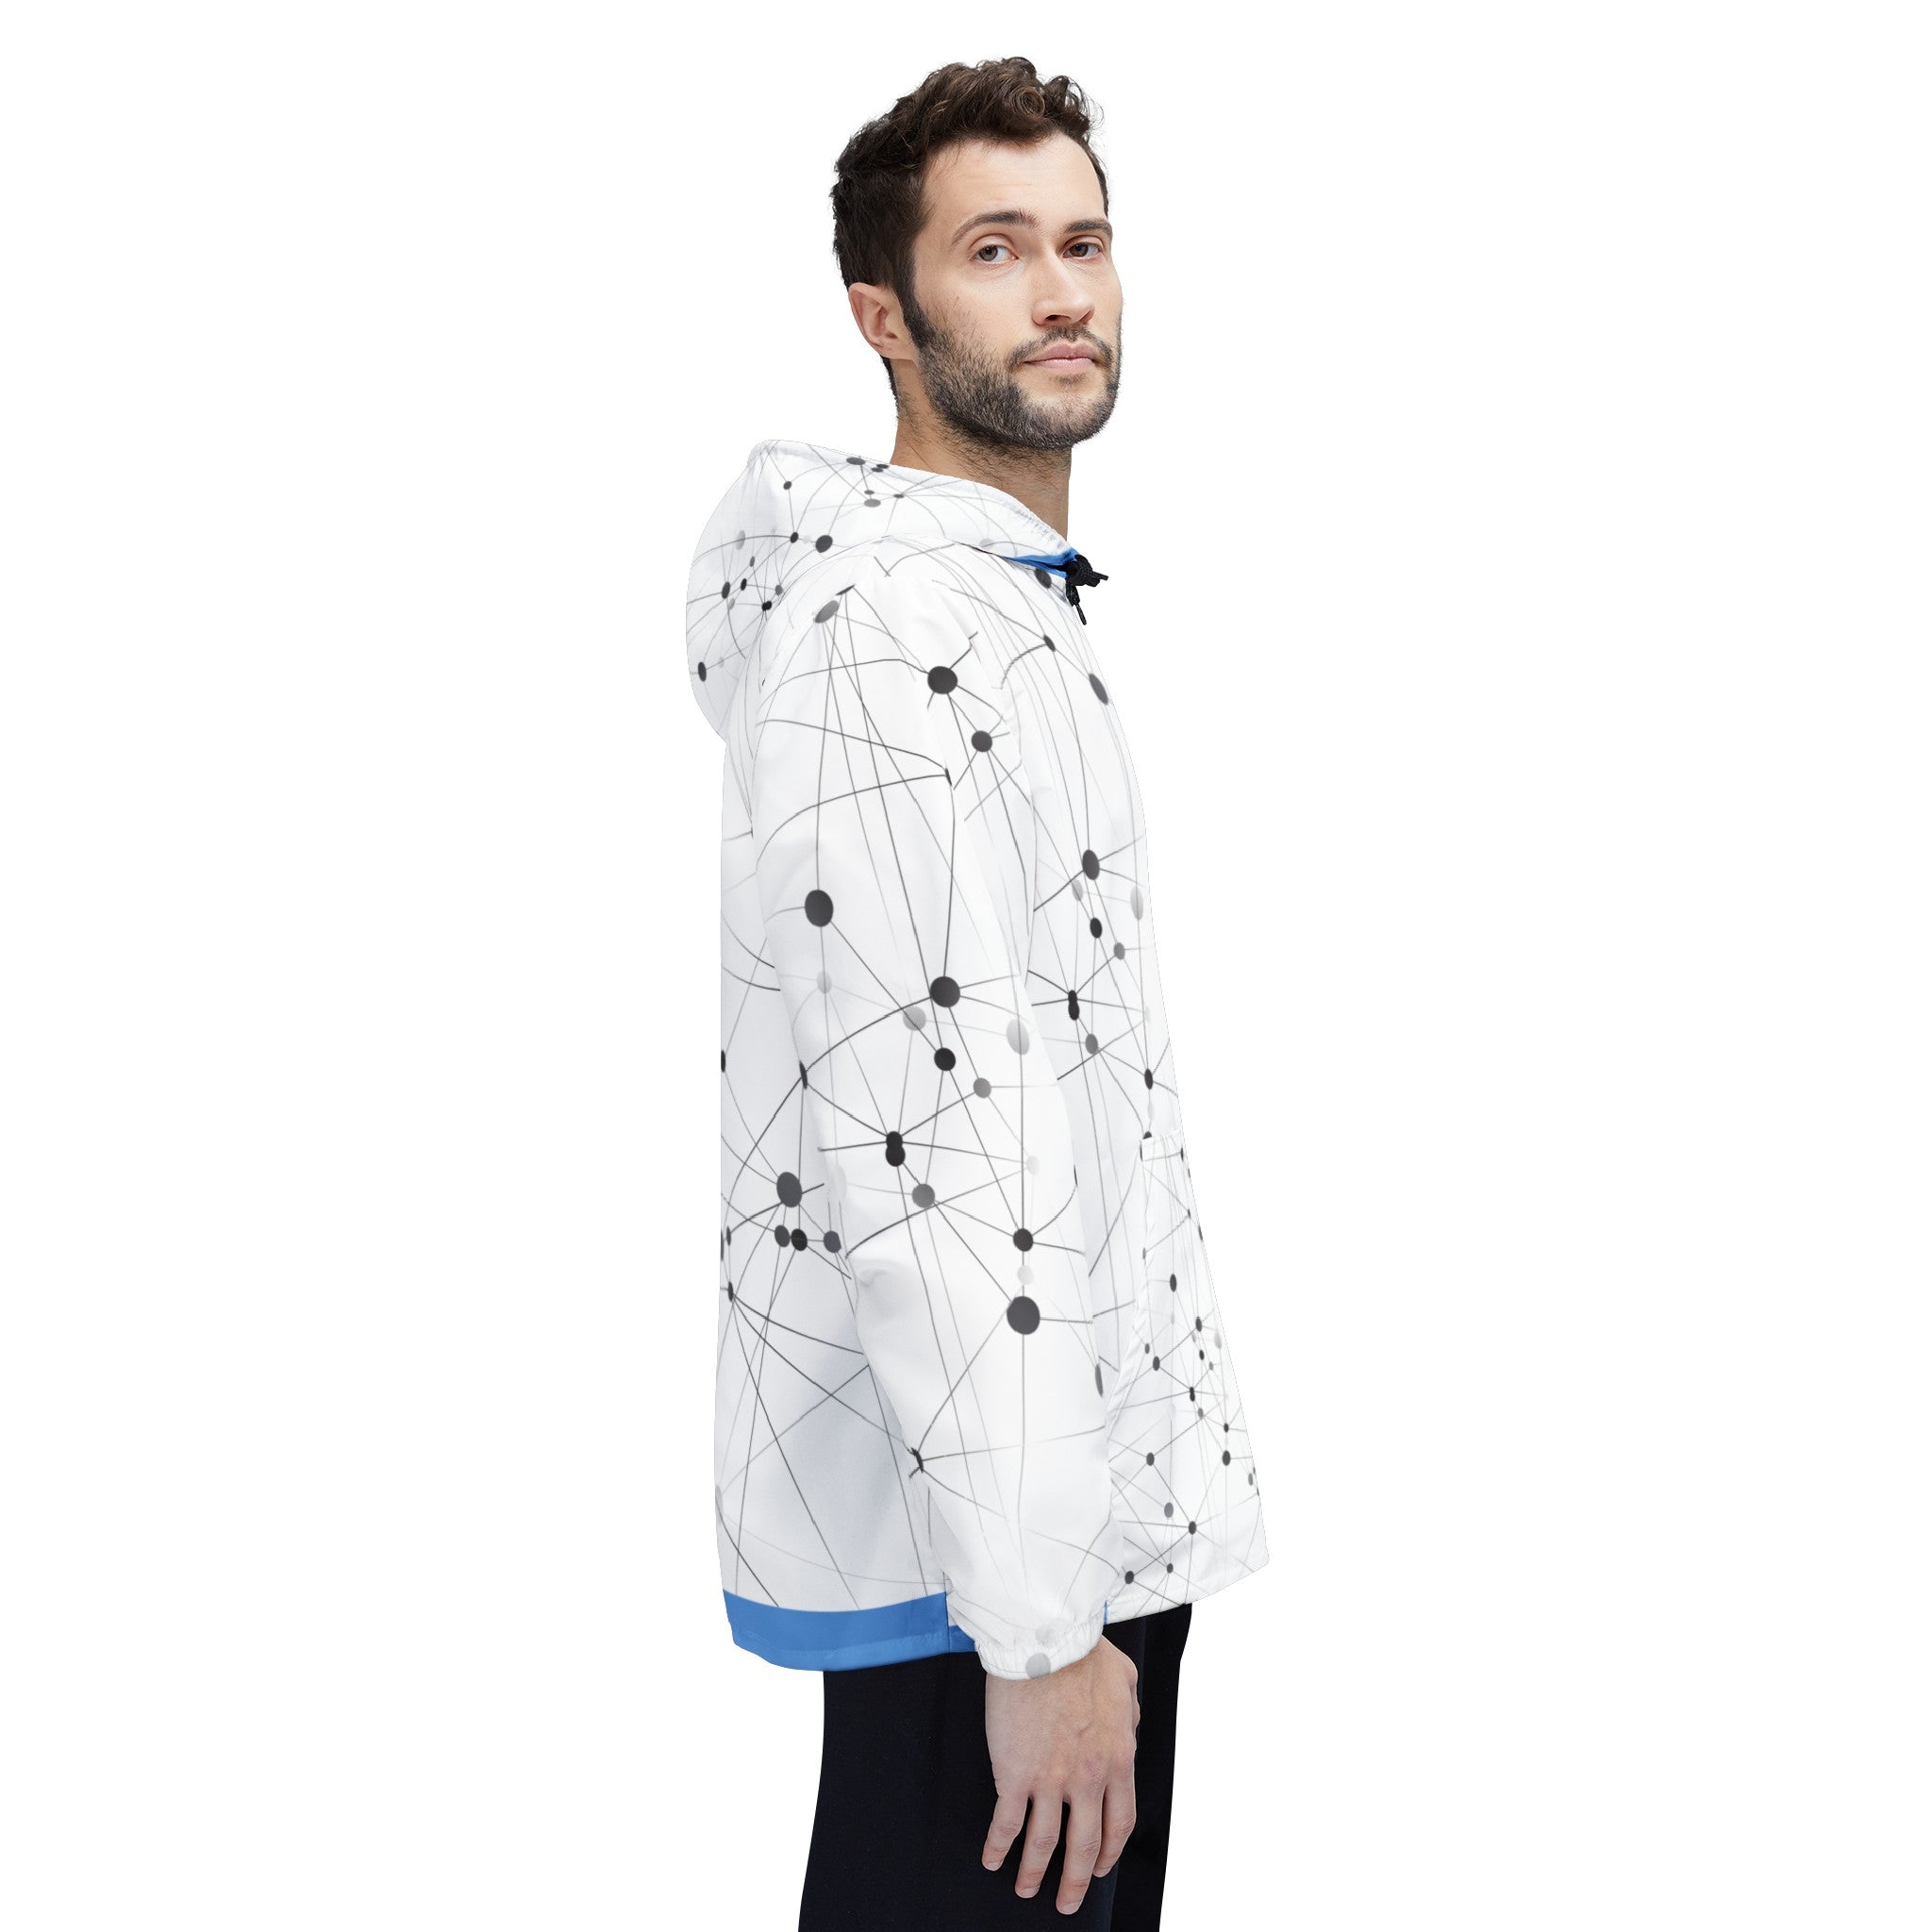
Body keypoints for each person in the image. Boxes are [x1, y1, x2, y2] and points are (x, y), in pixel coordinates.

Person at [682, 58, 1271, 1928]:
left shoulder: (1003, 603)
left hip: (1054, 1525)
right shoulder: (888, 636)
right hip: (992, 1573)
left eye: (1083, 243)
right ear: (886, 315)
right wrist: (1038, 1631)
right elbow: (925, 1145)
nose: (1062, 292)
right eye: (996, 250)